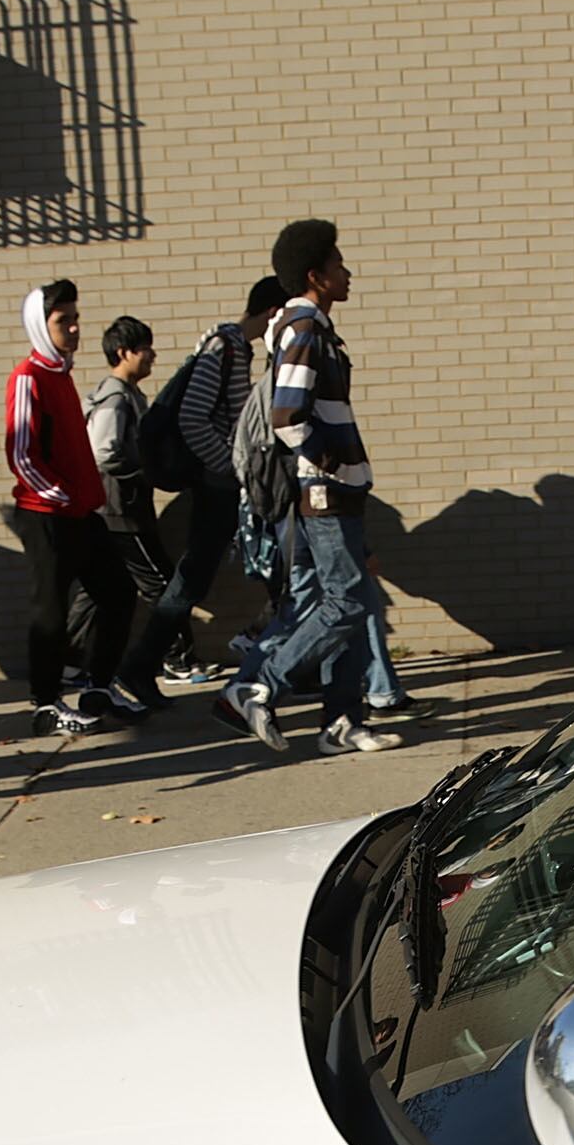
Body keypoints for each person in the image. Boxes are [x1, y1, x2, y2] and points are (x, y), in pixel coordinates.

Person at [215, 219, 402, 758]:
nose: (349, 273)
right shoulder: (303, 330)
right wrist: (332, 467)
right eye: (340, 265)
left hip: (336, 492)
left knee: (357, 602)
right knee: (344, 602)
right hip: (325, 493)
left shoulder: (312, 330)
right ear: (317, 275)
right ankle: (254, 688)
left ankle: (341, 720)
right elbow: (287, 416)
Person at [127, 277, 283, 692]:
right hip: (221, 486)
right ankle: (141, 665)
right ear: (272, 314)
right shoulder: (225, 347)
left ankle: (141, 667)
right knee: (256, 569)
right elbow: (192, 418)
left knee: (248, 571)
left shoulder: (234, 347)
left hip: (224, 484)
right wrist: (231, 469)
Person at [5, 277, 143, 735]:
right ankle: (45, 704)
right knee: (50, 611)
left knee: (118, 594)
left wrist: (81, 500)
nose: (76, 329)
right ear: (41, 327)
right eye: (64, 321)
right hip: (46, 516)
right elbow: (22, 452)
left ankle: (98, 686)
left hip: (81, 515)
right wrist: (59, 494)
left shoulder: (60, 376)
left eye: (77, 319)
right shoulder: (28, 378)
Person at [84, 313, 176, 711]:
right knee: (163, 587)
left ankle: (84, 666)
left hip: (123, 509)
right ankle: (155, 665)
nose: (152, 355)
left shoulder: (128, 395)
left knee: (96, 595)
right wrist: (142, 470)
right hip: (118, 511)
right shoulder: (116, 397)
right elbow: (102, 451)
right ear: (124, 353)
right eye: (145, 348)